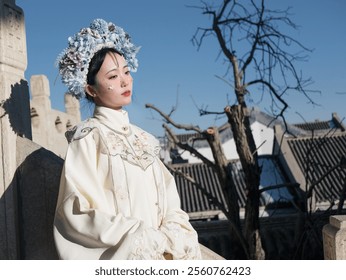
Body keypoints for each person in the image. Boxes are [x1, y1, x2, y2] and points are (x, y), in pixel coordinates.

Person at [53, 18, 202, 260]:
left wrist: (172, 237)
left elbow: (171, 203)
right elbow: (76, 212)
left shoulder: (145, 140)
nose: (125, 81)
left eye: (127, 71)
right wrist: (140, 236)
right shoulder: (89, 139)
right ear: (90, 89)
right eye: (112, 77)